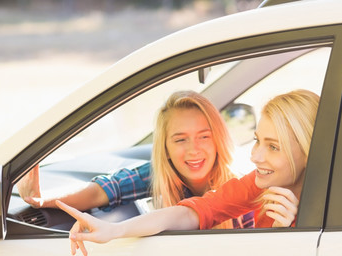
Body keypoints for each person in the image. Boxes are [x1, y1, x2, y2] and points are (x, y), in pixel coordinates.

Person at [56, 89, 319, 256]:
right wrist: (115, 230)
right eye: (257, 141)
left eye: (273, 147)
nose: (255, 156)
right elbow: (192, 212)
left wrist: (287, 235)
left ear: (308, 151)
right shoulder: (257, 185)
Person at [17, 90, 254, 229]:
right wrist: (41, 200)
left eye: (204, 137)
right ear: (165, 148)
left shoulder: (241, 190)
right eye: (180, 140)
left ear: (218, 139)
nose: (194, 150)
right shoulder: (162, 174)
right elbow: (104, 191)